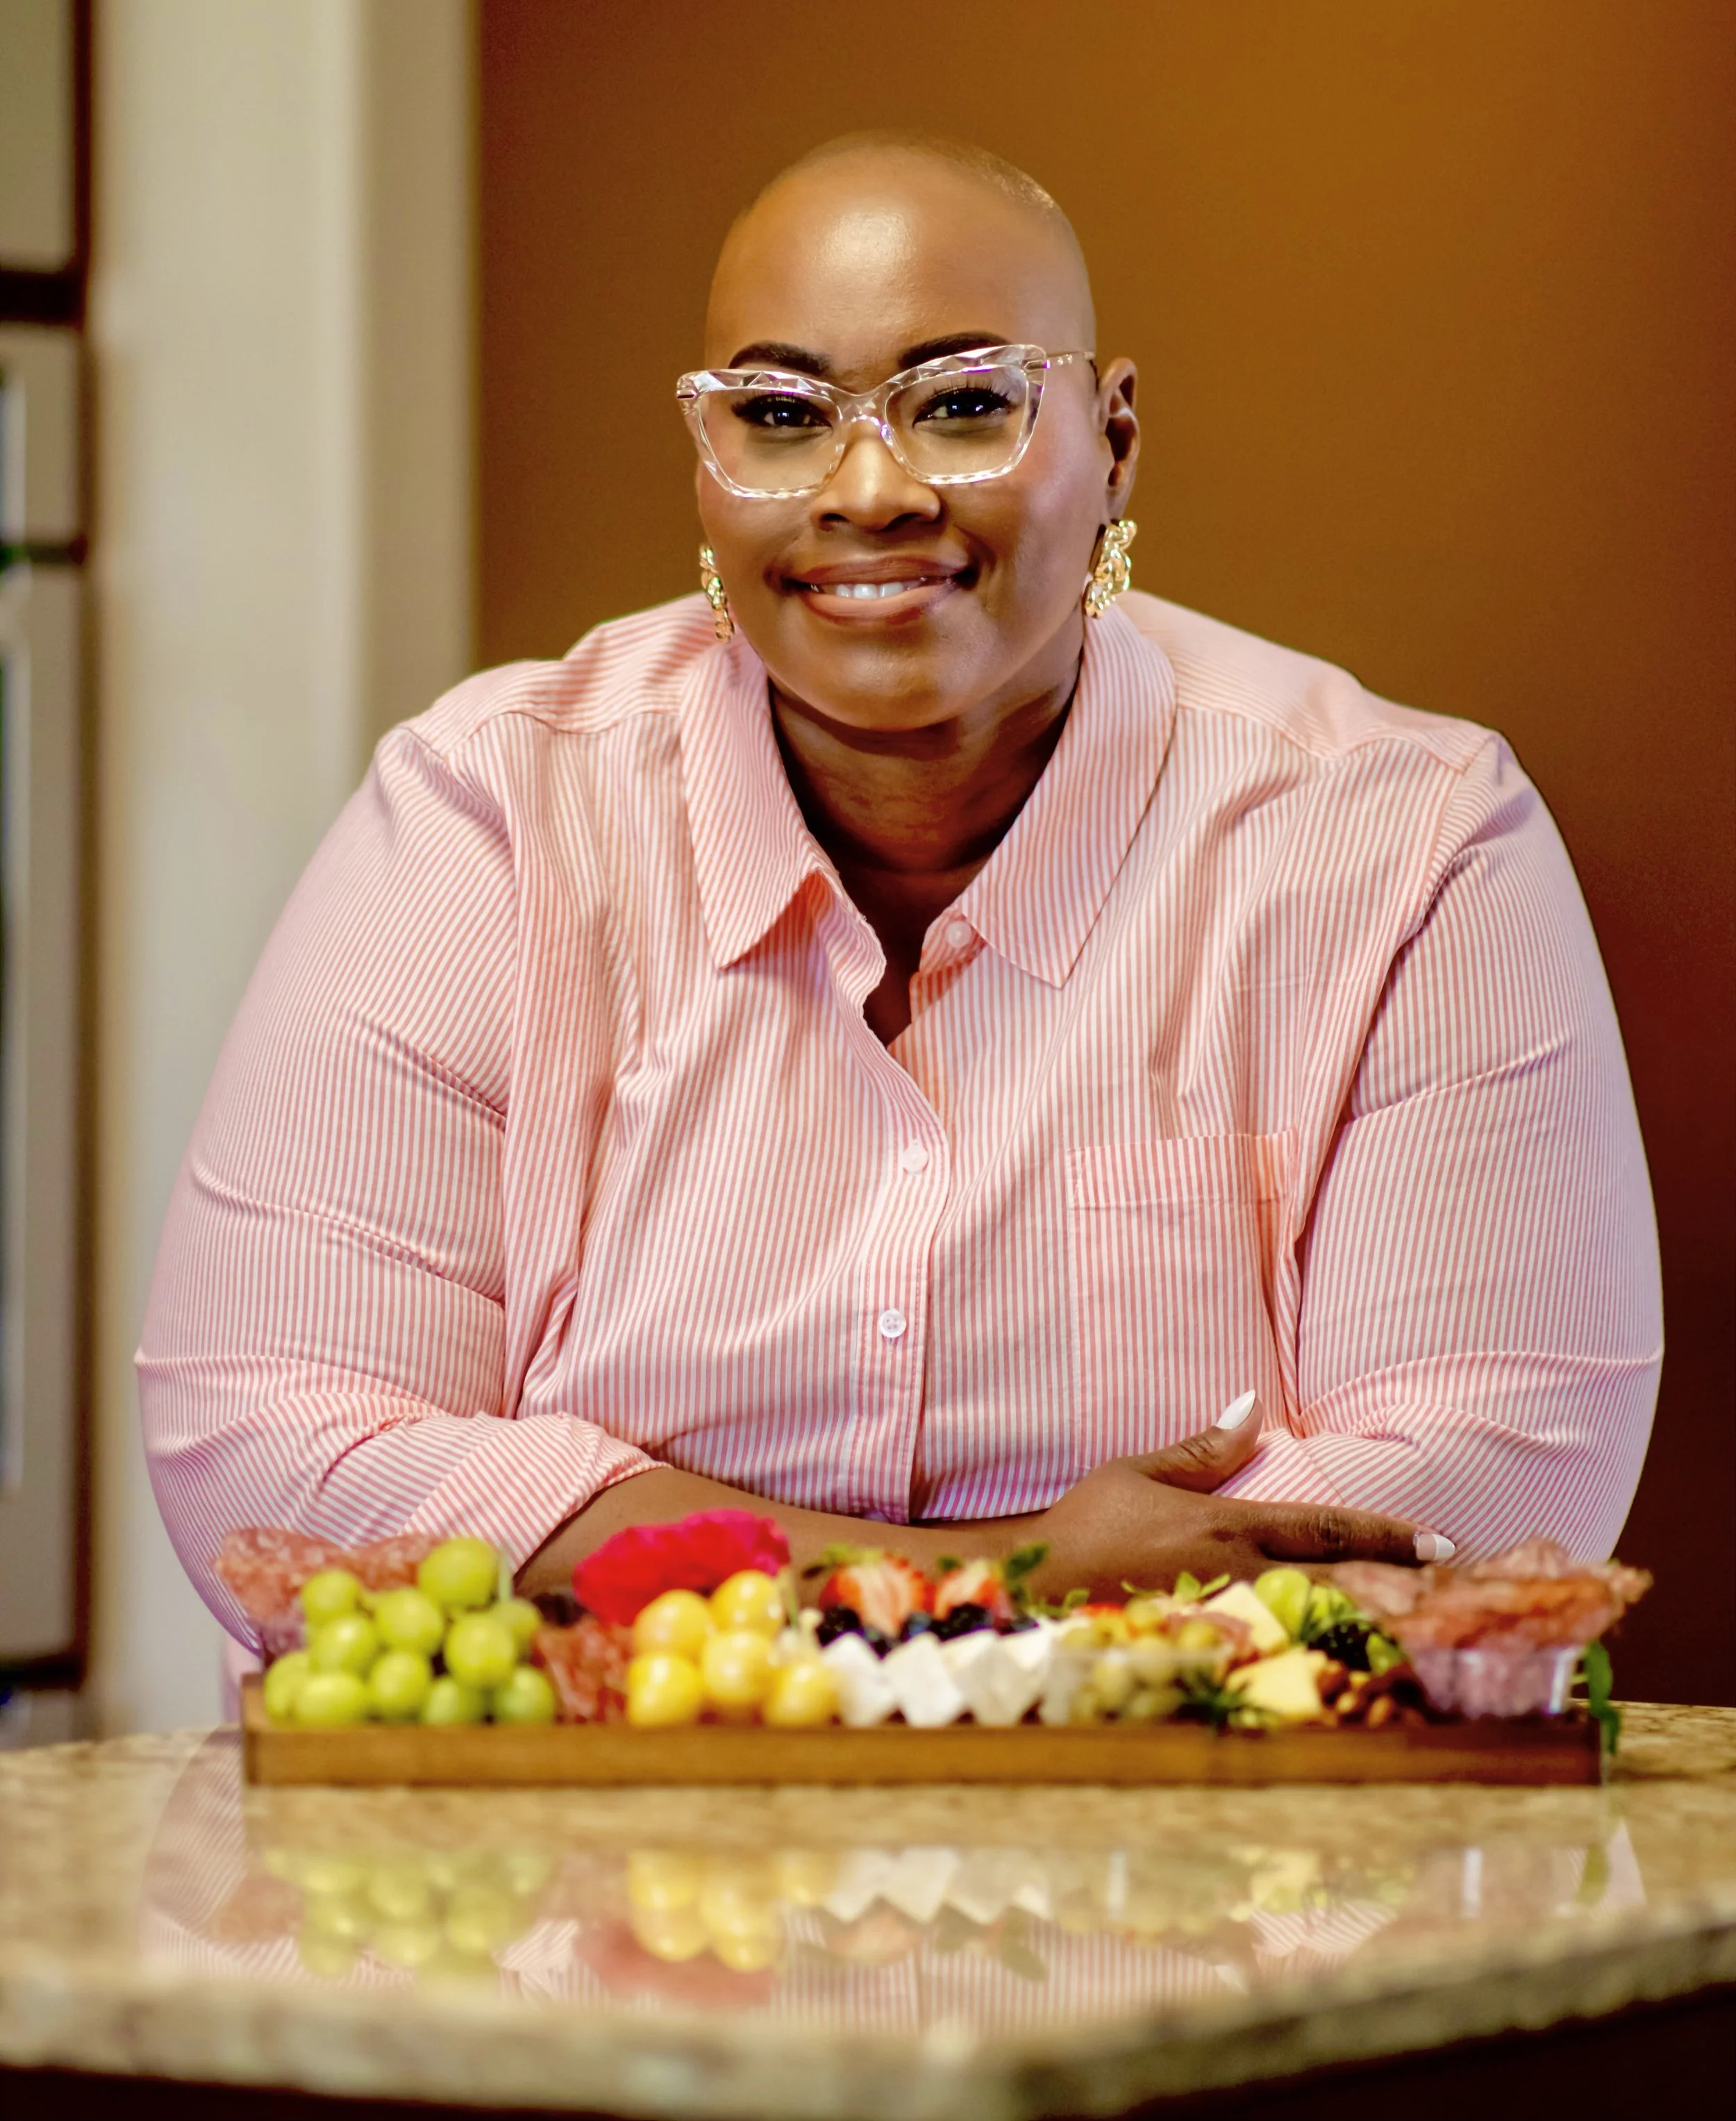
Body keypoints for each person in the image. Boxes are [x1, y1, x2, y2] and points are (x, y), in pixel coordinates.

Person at [141, 133, 1662, 1645]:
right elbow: (275, 1449)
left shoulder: (1403, 847)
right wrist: (1012, 1580)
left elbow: (1490, 1493)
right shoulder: (493, 817)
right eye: (782, 415)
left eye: (961, 405)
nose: (867, 491)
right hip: (551, 1877)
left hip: (1194, 1877)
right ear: (707, 464)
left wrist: (619, 1549)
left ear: (1114, 440)